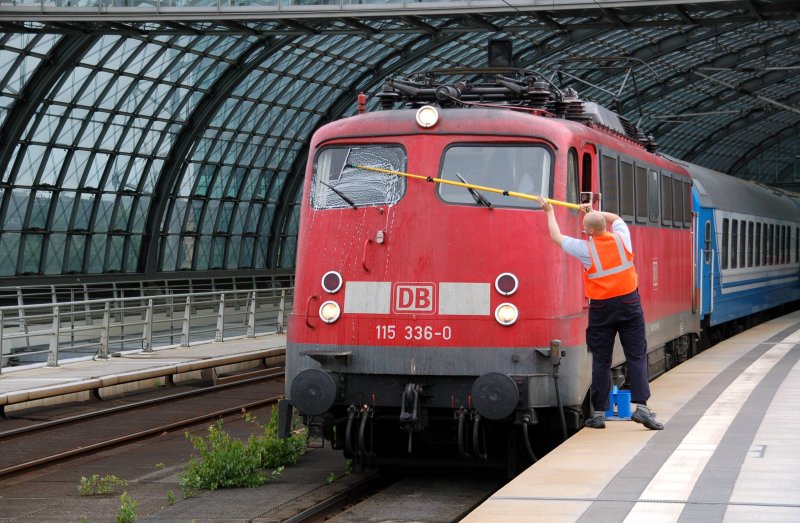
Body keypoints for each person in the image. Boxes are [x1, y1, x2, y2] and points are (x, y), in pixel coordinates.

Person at [541, 198, 663, 430]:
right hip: (629, 304)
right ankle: (643, 409)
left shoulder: (586, 249)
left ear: (588, 231)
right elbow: (615, 218)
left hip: (602, 309)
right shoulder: (622, 238)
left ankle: (598, 414)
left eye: (584, 228)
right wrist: (594, 211)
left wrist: (549, 210)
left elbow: (556, 237)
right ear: (603, 227)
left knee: (601, 360)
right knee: (636, 355)